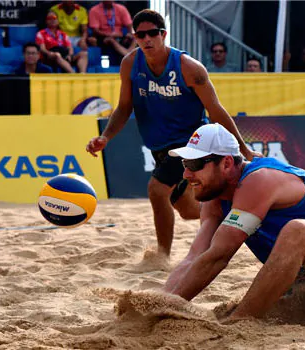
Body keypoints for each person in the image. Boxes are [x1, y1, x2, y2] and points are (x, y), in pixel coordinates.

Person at [163, 123, 305, 321]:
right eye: (185, 165)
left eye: (194, 165)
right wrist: (161, 302)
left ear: (225, 164)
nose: (186, 175)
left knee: (297, 232)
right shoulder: (215, 201)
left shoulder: (258, 180)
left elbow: (218, 257)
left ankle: (240, 322)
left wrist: (167, 310)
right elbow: (195, 257)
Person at [85, 10, 261, 258]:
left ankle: (161, 257)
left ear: (163, 34)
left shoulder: (189, 68)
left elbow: (215, 110)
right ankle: (235, 214)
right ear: (135, 37)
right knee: (188, 209)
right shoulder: (129, 64)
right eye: (140, 35)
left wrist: (243, 148)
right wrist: (106, 137)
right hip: (159, 146)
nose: (147, 39)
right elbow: (125, 107)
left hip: (191, 142)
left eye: (152, 34)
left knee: (157, 190)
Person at [88, 1, 136, 66]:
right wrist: (109, 35)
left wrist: (130, 33)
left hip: (120, 36)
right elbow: (95, 30)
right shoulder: (94, 10)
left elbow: (129, 25)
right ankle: (128, 55)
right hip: (103, 37)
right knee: (110, 40)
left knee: (136, 37)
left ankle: (130, 54)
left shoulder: (121, 8)